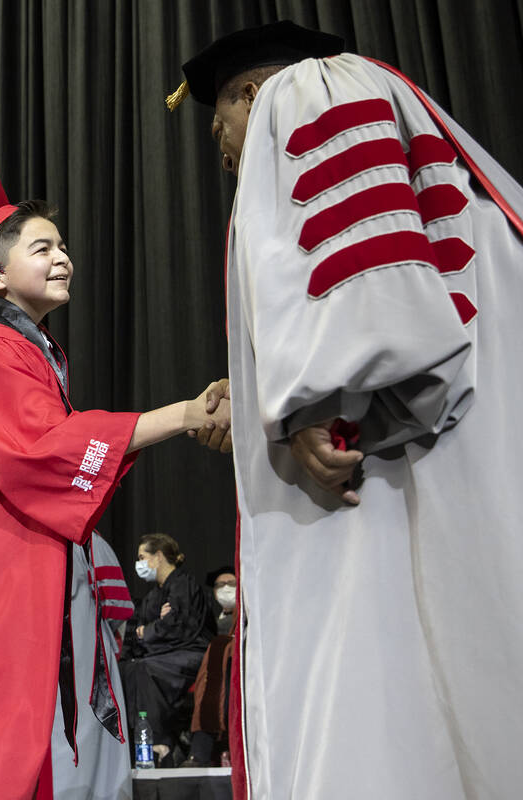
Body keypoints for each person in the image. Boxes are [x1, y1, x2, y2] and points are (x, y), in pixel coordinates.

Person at [169, 19, 523, 799]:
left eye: (220, 122)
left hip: (420, 435)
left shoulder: (310, 91)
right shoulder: (389, 107)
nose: (224, 149)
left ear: (251, 92)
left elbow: (372, 276)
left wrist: (308, 406)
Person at [0, 169, 229, 799]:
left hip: (9, 563)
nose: (64, 259)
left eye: (64, 247)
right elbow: (45, 451)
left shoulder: (29, 348)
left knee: (32, 733)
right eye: (42, 249)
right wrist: (188, 413)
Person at [50, 532, 133, 800]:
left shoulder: (87, 539)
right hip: (84, 654)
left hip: (69, 653)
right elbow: (117, 615)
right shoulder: (90, 539)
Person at [120, 533, 214, 765]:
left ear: (159, 556)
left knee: (147, 668)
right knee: (126, 669)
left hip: (193, 651)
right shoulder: (154, 595)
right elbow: (140, 631)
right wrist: (152, 628)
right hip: (165, 653)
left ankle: (160, 743)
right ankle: (135, 746)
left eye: (143, 557)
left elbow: (177, 628)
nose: (139, 563)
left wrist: (150, 630)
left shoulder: (183, 584)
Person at [181, 566, 237, 770]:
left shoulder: (248, 618)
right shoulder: (206, 621)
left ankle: (202, 748)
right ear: (213, 592)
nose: (226, 589)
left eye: (231, 584)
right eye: (220, 585)